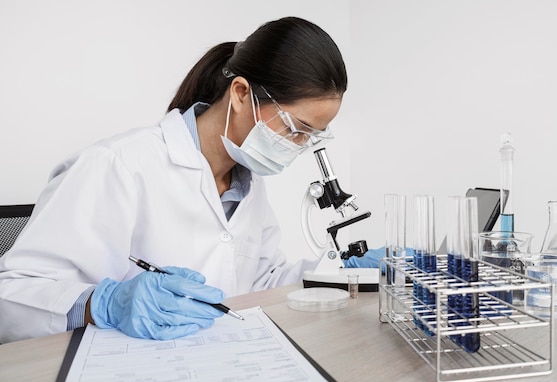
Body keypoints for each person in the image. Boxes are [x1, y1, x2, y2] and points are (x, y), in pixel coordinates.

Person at [0, 17, 373, 343]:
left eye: (312, 137)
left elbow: (260, 282)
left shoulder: (248, 183)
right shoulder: (117, 165)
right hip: (123, 374)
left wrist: (341, 271)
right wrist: (105, 304)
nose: (299, 146)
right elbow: (11, 296)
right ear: (241, 93)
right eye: (296, 129)